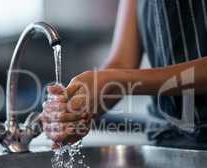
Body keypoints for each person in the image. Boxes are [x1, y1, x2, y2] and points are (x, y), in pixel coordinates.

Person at [41, 0, 207, 148]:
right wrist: (74, 111)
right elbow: (122, 62)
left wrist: (116, 81)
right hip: (165, 139)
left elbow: (118, 77)